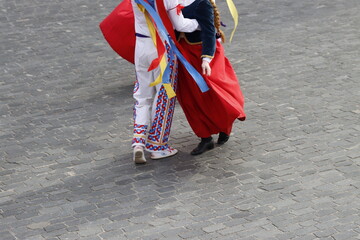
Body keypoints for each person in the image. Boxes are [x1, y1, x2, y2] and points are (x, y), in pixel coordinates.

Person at [131, 0, 200, 163]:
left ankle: (138, 142)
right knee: (164, 96)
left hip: (141, 46)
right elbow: (180, 25)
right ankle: (157, 145)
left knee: (142, 95)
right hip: (161, 48)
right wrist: (202, 23)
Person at [175, 0, 246, 155]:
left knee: (216, 93)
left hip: (203, 54)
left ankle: (225, 125)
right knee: (190, 97)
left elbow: (209, 31)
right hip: (184, 54)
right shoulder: (170, 2)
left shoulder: (202, 3)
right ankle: (205, 137)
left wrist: (206, 59)